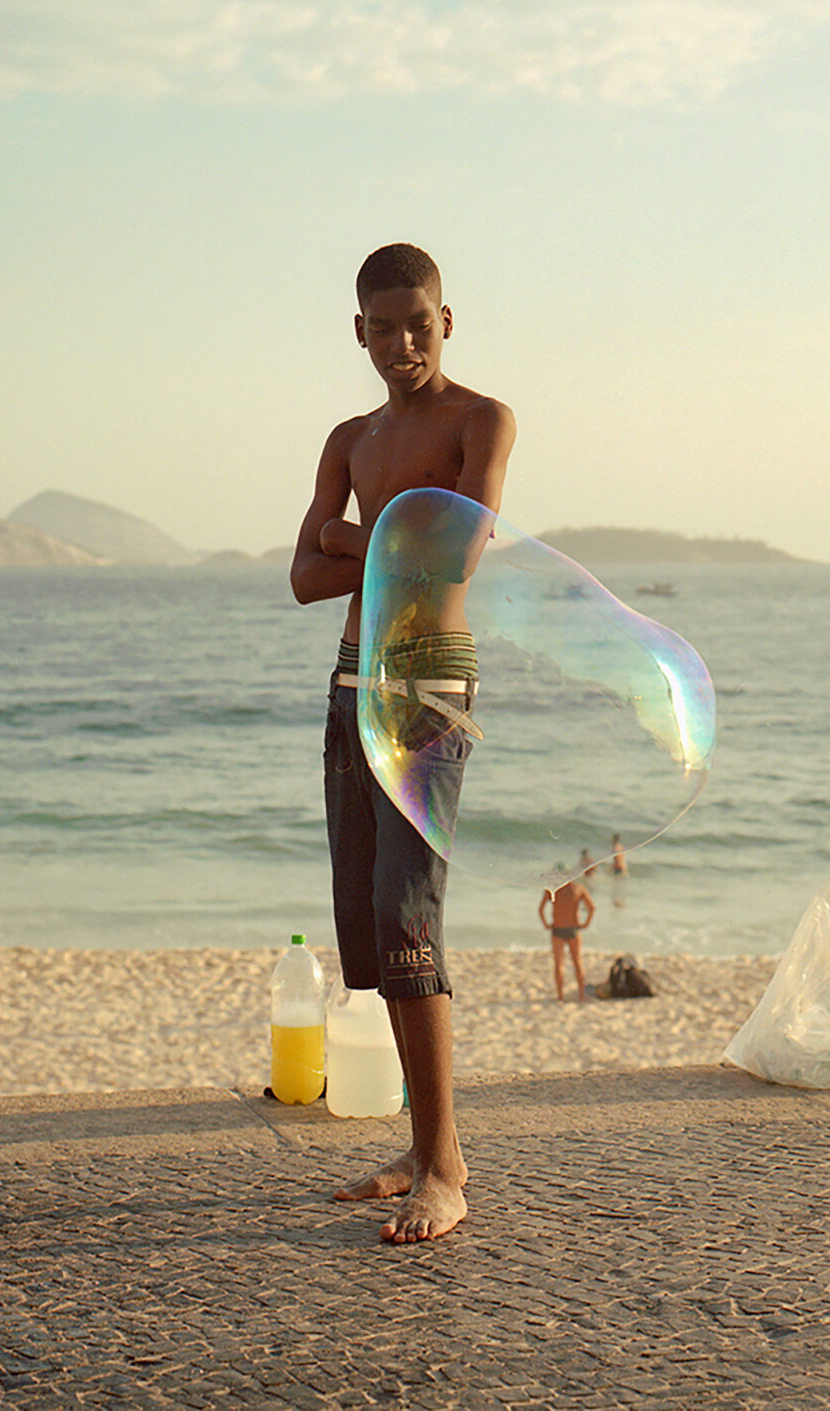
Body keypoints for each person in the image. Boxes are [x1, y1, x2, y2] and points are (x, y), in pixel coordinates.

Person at [290, 243, 516, 1244]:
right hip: (349, 682)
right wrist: (394, 533)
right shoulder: (348, 436)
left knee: (406, 910)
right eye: (382, 329)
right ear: (358, 332)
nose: (401, 344)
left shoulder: (480, 420)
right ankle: (422, 1151)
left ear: (445, 319)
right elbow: (302, 572)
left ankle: (448, 1169)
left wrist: (363, 537)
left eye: (417, 323)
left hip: (428, 684)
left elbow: (458, 549)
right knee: (366, 922)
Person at [539, 876, 595, 1003]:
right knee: (577, 962)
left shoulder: (552, 890)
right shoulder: (578, 888)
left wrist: (546, 924)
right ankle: (581, 995)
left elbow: (541, 909)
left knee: (559, 963)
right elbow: (591, 908)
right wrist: (586, 924)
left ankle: (560, 996)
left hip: (557, 929)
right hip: (573, 928)